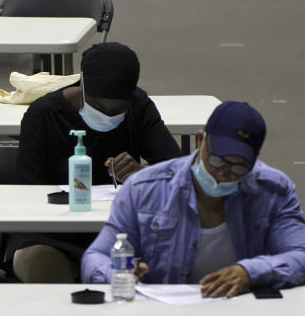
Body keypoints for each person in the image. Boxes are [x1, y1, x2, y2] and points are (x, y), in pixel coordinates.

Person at [81, 101, 305, 297]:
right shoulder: (145, 189)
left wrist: (250, 272)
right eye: (217, 160)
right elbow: (94, 258)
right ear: (200, 141)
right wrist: (115, 272)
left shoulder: (272, 190)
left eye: (239, 168)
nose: (223, 172)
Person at [9, 42, 184, 282]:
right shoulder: (43, 115)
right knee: (45, 267)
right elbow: (28, 195)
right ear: (82, 88)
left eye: (118, 109)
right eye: (99, 106)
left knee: (169, 261)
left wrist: (141, 174)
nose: (109, 114)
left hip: (121, 232)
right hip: (51, 237)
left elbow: (180, 172)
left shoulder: (138, 105)